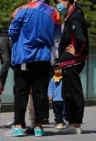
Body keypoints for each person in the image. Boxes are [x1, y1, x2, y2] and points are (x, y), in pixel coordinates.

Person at [8, 0, 61, 137]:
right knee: (40, 93)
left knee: (21, 91)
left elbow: (13, 31)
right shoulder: (54, 13)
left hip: (24, 56)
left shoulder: (22, 10)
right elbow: (57, 36)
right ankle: (38, 126)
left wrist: (20, 42)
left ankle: (18, 125)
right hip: (43, 57)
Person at [54, 0, 89, 134]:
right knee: (67, 93)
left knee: (73, 93)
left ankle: (76, 124)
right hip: (68, 62)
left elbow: (80, 38)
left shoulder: (75, 16)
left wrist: (77, 51)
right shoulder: (71, 15)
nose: (58, 4)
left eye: (59, 1)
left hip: (73, 61)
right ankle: (72, 122)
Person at [48, 62, 68, 129]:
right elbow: (50, 88)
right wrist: (50, 95)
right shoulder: (52, 79)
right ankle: (59, 122)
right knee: (57, 112)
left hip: (64, 99)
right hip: (55, 99)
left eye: (59, 69)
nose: (57, 71)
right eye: (56, 70)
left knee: (65, 112)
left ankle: (67, 121)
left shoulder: (65, 78)